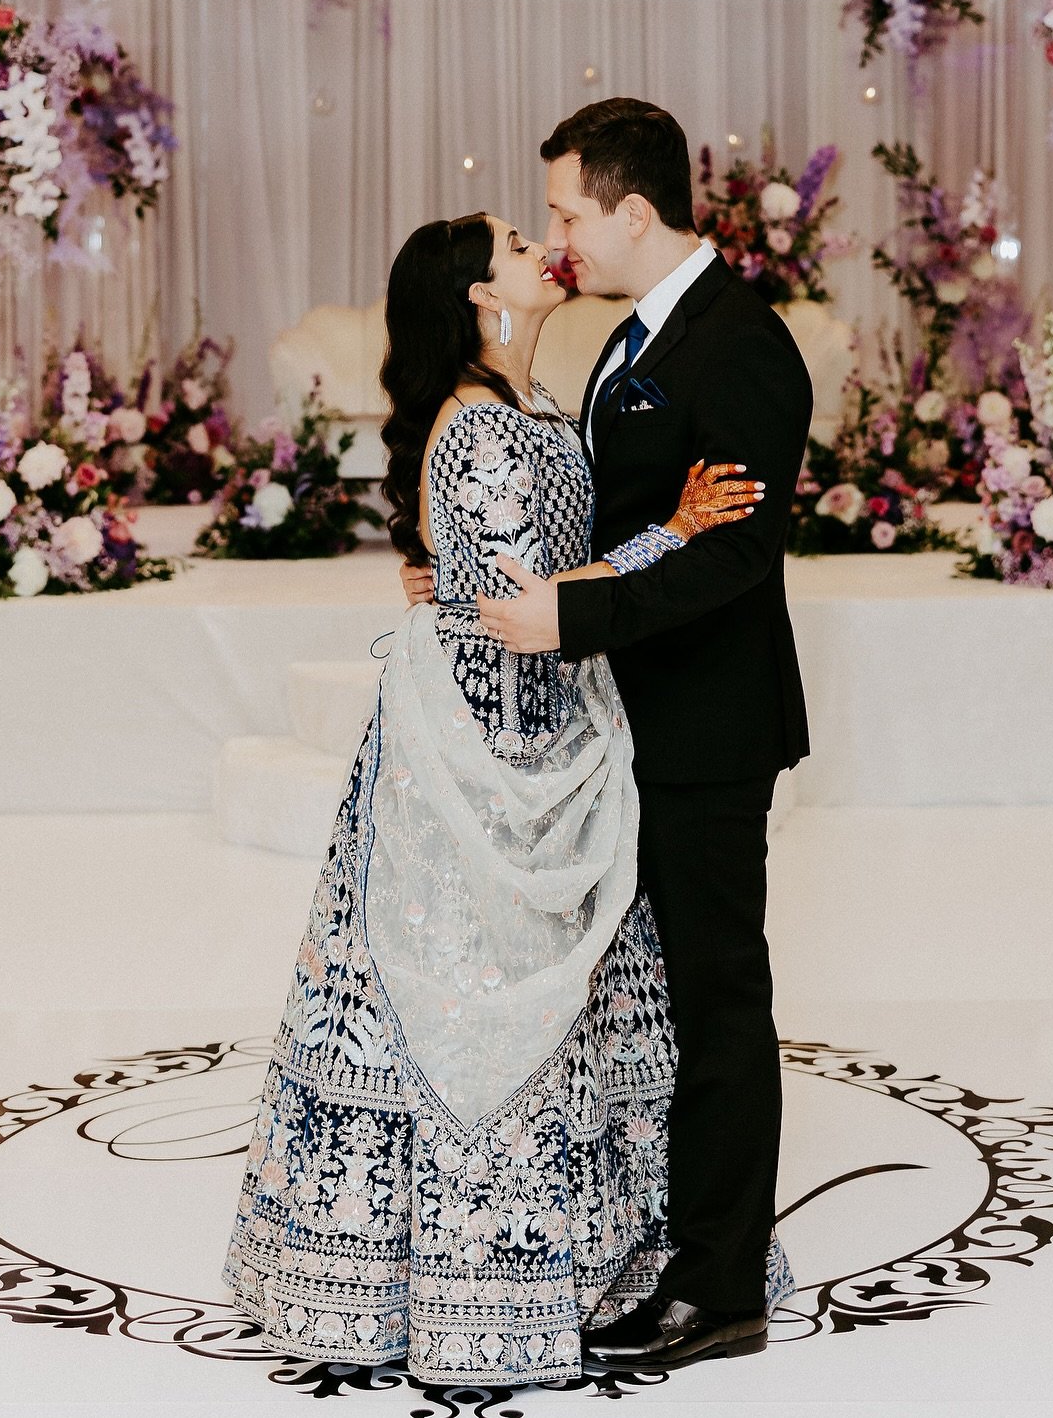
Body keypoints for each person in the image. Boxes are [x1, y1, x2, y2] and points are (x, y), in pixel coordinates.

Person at [224, 208, 772, 1387]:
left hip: (554, 719)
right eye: (519, 243)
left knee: (571, 992)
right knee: (474, 992)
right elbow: (521, 607)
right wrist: (673, 534)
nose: (541, 248)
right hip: (482, 744)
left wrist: (643, 543)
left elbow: (535, 586)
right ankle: (472, 1283)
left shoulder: (534, 402)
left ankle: (592, 1256)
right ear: (480, 295)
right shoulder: (475, 425)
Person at [454, 98, 813, 1371]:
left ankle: (720, 1288)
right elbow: (651, 520)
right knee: (655, 998)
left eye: (567, 211)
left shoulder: (743, 344)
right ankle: (656, 1238)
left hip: (708, 728)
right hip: (634, 717)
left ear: (634, 210)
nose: (557, 235)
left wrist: (574, 614)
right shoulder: (631, 335)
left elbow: (738, 557)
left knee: (719, 997)